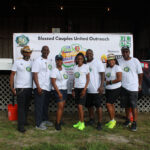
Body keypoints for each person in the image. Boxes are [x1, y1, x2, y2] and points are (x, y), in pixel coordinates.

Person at [118, 46, 143, 131]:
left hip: (133, 87)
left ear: (129, 52)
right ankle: (128, 120)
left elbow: (140, 74)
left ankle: (134, 123)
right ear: (121, 52)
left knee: (133, 106)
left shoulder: (135, 60)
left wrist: (139, 85)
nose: (125, 53)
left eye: (126, 52)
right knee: (126, 106)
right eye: (123, 52)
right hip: (123, 87)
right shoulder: (120, 61)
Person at [10, 46, 32, 133]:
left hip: (29, 88)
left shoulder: (32, 63)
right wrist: (12, 87)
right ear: (22, 53)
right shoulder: (17, 62)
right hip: (20, 88)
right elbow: (12, 74)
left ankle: (24, 121)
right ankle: (20, 126)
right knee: (21, 108)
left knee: (26, 106)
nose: (27, 54)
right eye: (25, 52)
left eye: (29, 52)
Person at [32, 46, 53, 130]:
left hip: (47, 87)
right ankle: (38, 124)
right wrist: (38, 87)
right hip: (40, 87)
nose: (46, 51)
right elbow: (35, 75)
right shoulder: (37, 61)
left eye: (47, 50)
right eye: (44, 50)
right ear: (41, 51)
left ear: (49, 51)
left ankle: (44, 120)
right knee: (39, 106)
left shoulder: (49, 61)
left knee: (45, 105)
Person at [85, 49, 105, 130]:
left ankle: (99, 123)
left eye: (90, 53)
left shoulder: (97, 62)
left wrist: (101, 86)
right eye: (87, 54)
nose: (89, 55)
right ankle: (91, 119)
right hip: (88, 89)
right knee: (89, 106)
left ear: (93, 54)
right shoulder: (85, 63)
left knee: (98, 106)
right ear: (86, 55)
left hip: (96, 89)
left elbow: (102, 74)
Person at [72, 52, 90, 131]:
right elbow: (74, 79)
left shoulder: (86, 66)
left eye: (81, 59)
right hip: (76, 88)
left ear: (83, 60)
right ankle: (79, 121)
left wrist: (85, 89)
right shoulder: (75, 67)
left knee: (80, 106)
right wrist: (73, 89)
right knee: (78, 107)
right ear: (76, 59)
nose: (79, 60)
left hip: (83, 88)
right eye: (78, 59)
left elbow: (88, 79)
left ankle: (82, 123)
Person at [51, 55, 68, 130]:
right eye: (58, 60)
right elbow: (53, 82)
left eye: (61, 60)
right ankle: (57, 124)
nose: (59, 61)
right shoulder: (54, 70)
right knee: (60, 107)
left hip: (64, 90)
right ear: (55, 61)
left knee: (62, 107)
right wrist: (58, 92)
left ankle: (59, 120)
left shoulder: (64, 69)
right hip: (58, 90)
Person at [105, 54, 122, 129]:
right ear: (107, 61)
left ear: (115, 60)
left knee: (108, 104)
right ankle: (112, 120)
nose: (111, 61)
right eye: (109, 60)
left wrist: (110, 82)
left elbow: (119, 79)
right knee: (111, 105)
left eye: (112, 60)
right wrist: (105, 82)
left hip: (116, 88)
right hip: (108, 89)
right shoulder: (107, 68)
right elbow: (106, 78)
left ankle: (112, 120)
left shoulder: (117, 67)